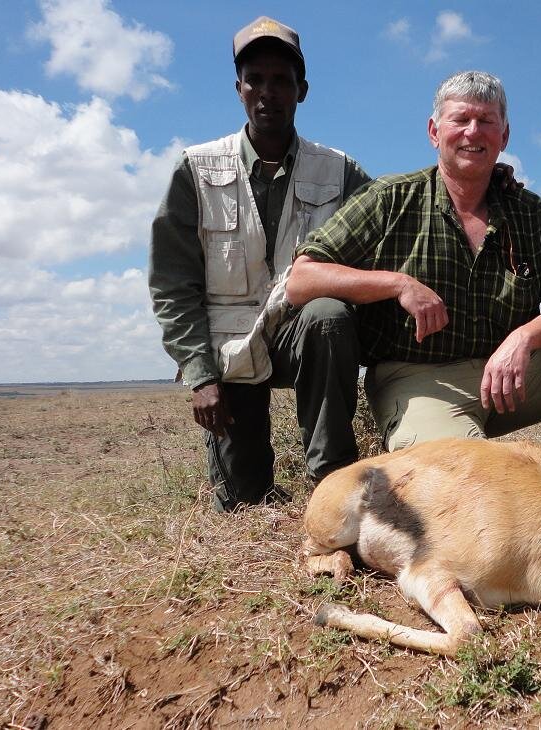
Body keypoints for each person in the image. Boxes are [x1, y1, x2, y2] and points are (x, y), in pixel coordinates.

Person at [285, 71, 541, 492]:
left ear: (504, 135)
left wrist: (523, 339)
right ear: (434, 131)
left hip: (510, 376)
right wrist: (398, 284)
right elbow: (302, 278)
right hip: (417, 378)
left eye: (486, 121)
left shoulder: (530, 212)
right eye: (460, 119)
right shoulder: (390, 197)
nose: (473, 132)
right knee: (473, 487)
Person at [148, 17, 370, 511]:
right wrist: (201, 375)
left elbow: (401, 220)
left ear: (302, 91)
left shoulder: (340, 171)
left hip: (302, 334)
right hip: (229, 349)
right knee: (242, 501)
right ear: (239, 89)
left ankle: (333, 485)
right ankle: (245, 476)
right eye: (256, 79)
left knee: (328, 315)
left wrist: (483, 178)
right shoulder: (196, 169)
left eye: (281, 80)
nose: (268, 92)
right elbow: (172, 284)